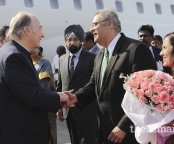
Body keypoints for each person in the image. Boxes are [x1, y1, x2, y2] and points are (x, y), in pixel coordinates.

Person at [64, 8, 157, 144]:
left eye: (95, 24)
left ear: (110, 23)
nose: (91, 30)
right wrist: (76, 97)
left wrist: (124, 126)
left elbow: (146, 94)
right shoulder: (100, 55)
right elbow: (93, 86)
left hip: (129, 133)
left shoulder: (135, 50)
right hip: (106, 131)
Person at [0, 12, 68, 144]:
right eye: (40, 29)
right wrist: (60, 98)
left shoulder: (10, 51)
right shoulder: (14, 56)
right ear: (27, 30)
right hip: (14, 136)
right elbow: (32, 96)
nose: (42, 34)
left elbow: (25, 90)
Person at [56, 25, 98, 144]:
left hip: (87, 110)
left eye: (75, 39)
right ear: (65, 42)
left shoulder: (92, 58)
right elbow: (60, 85)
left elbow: (95, 84)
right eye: (69, 40)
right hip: (69, 112)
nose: (72, 42)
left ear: (81, 41)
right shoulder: (62, 59)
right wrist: (59, 108)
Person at [31, 47, 57, 144]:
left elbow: (44, 86)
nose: (31, 50)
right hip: (33, 104)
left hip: (44, 104)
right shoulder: (27, 63)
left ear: (39, 50)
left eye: (34, 48)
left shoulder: (44, 63)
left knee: (47, 135)